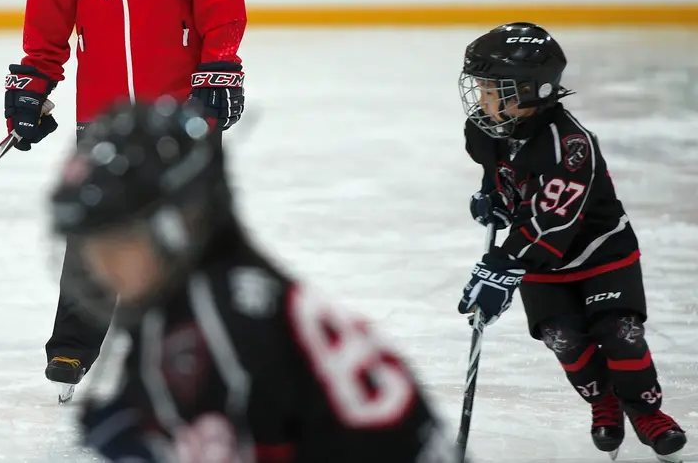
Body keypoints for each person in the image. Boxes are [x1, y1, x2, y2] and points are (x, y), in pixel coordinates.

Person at [0, 0, 248, 401]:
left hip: (178, 112)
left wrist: (221, 67)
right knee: (96, 229)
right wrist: (33, 82)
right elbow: (50, 15)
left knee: (189, 229)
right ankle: (74, 344)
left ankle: (204, 347)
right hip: (104, 116)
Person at [47, 96, 454, 463]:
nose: (100, 267)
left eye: (118, 241)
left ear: (183, 221)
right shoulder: (198, 292)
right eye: (89, 245)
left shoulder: (222, 322)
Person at [457, 22, 686, 462]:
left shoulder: (570, 146)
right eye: (481, 88)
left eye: (494, 89)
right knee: (563, 338)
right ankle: (603, 401)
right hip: (543, 265)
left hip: (601, 254)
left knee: (621, 334)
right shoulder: (486, 129)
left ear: (532, 91)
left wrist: (502, 268)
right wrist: (494, 198)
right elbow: (501, 177)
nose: (482, 100)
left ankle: (645, 411)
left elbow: (550, 226)